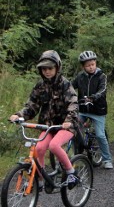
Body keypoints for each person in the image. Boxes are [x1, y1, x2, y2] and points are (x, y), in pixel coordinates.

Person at [9, 50, 80, 188]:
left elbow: (73, 103)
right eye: (44, 69)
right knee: (39, 149)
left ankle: (71, 172)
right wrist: (19, 115)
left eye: (50, 68)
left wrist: (69, 120)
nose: (47, 71)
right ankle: (41, 180)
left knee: (54, 146)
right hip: (48, 126)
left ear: (57, 68)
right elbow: (32, 106)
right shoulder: (40, 86)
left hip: (66, 125)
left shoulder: (65, 84)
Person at [72, 50, 113, 169]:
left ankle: (107, 159)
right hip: (83, 109)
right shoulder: (80, 76)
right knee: (74, 128)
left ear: (95, 63)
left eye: (92, 64)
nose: (91, 67)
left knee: (100, 135)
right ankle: (77, 154)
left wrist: (94, 97)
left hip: (98, 110)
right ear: (83, 66)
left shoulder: (101, 76)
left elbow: (103, 89)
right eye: (88, 65)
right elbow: (70, 86)